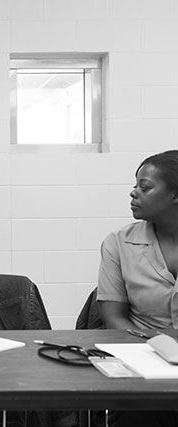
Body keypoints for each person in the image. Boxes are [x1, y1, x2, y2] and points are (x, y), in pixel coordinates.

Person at [97, 150, 178, 427]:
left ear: (175, 195)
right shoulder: (118, 243)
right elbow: (114, 320)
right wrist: (157, 348)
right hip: (144, 364)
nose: (133, 193)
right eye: (135, 186)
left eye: (144, 187)